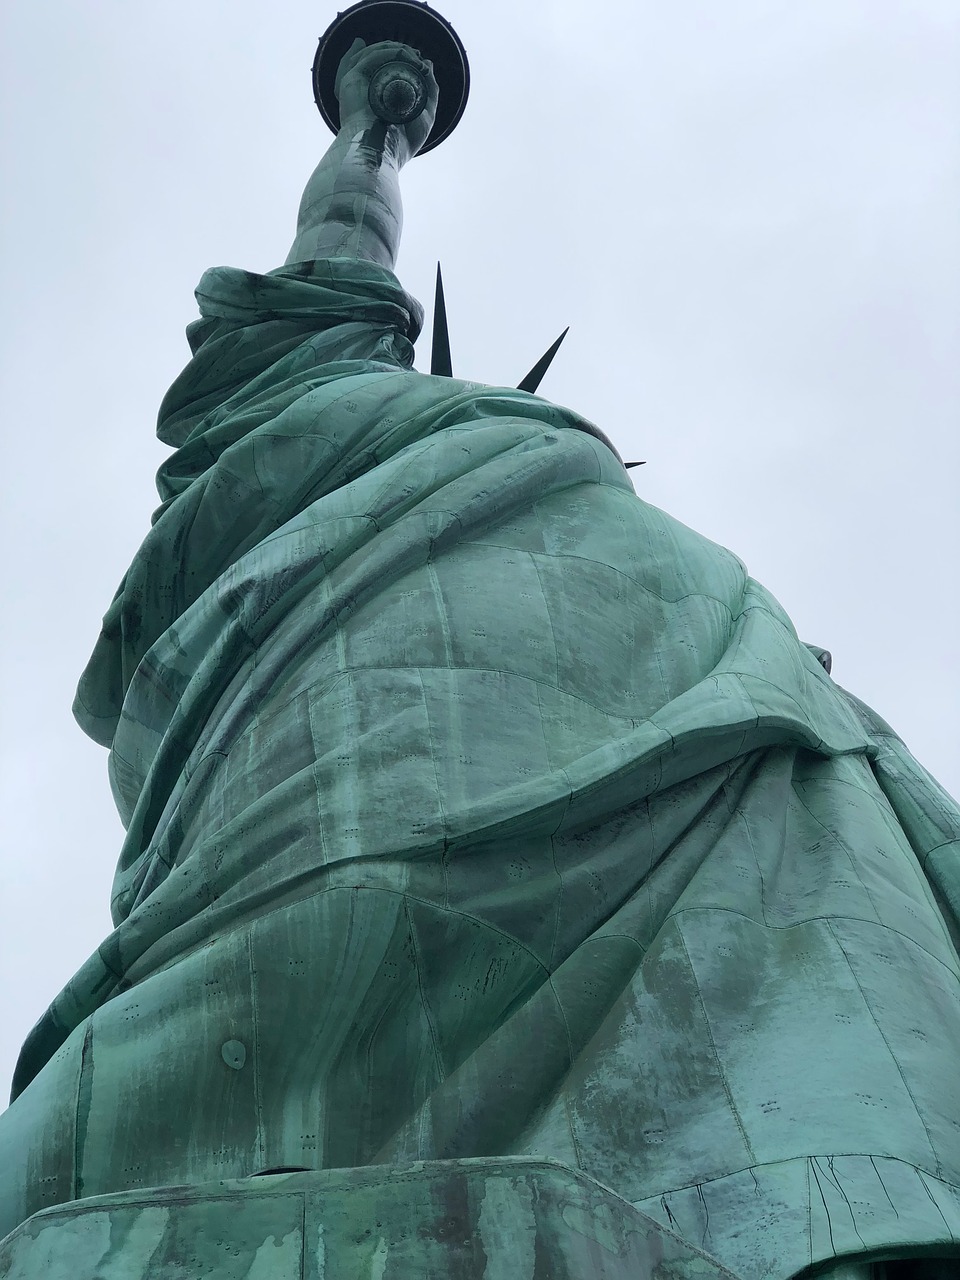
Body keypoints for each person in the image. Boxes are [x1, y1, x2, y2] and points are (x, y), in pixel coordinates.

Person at [3, 38, 960, 1279]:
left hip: (637, 677)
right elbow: (348, 225)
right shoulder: (356, 421)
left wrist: (375, 123)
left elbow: (343, 232)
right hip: (542, 683)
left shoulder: (304, 402)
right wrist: (379, 119)